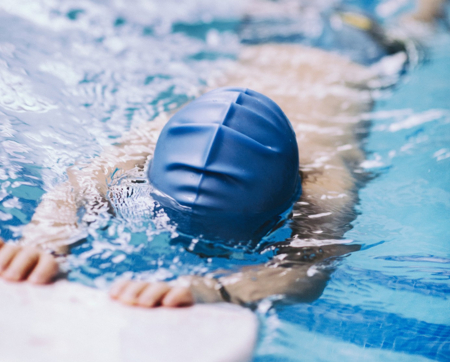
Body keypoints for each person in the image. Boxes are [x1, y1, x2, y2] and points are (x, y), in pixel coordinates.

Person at [0, 0, 446, 308]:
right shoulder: (164, 131)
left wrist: (217, 291)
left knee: (418, 25)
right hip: (273, 35)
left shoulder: (326, 174)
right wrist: (46, 238)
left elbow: (306, 272)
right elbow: (78, 186)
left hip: (365, 51)